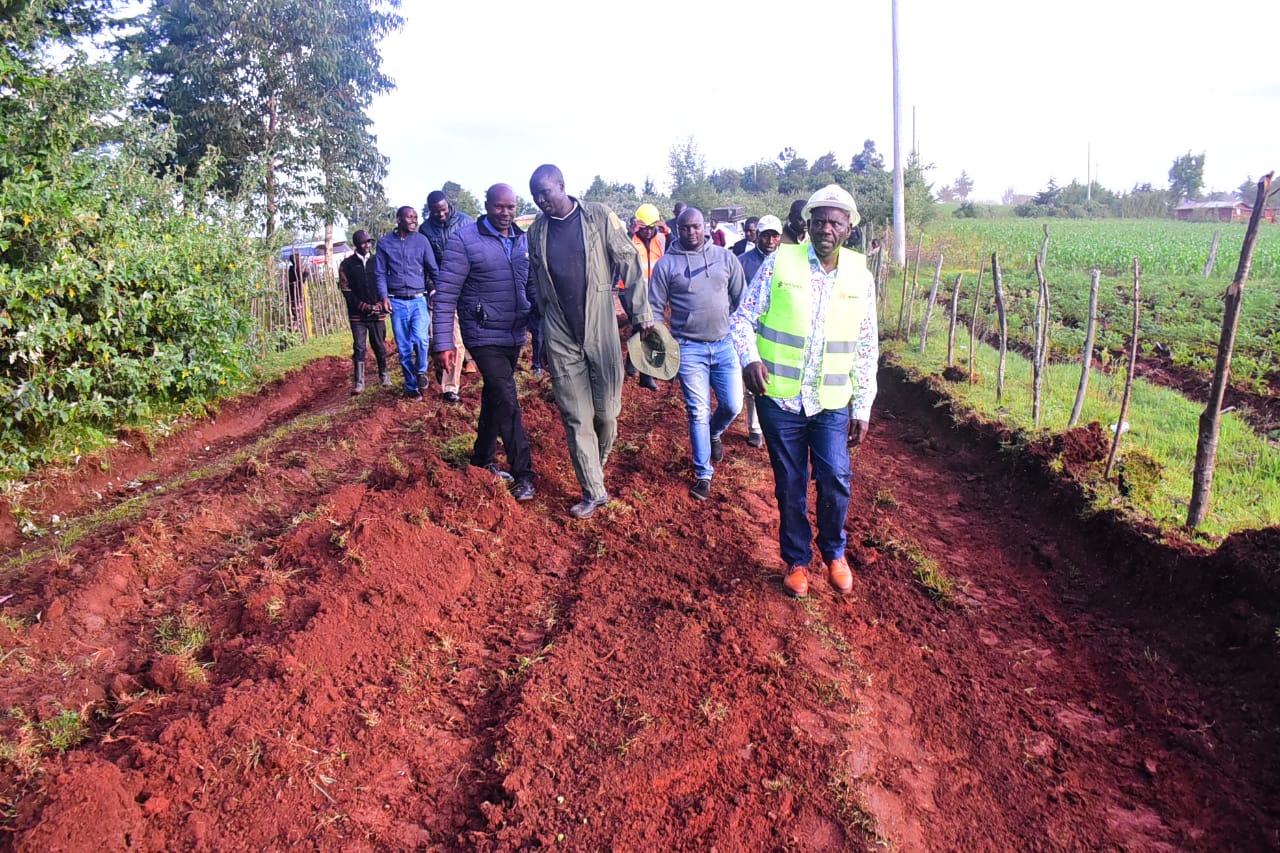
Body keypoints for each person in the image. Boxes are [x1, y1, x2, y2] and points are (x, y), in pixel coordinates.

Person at [729, 185, 878, 599]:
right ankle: (797, 561)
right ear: (807, 225)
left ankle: (834, 552)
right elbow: (742, 320)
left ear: (848, 229)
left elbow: (867, 347)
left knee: (835, 478)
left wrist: (862, 406)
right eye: (819, 221)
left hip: (830, 402)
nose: (826, 228)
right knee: (790, 484)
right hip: (780, 400)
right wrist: (748, 359)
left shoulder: (859, 277)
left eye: (836, 222)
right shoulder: (780, 263)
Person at [526, 164, 653, 519]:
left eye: (546, 193)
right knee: (575, 416)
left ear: (562, 186)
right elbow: (536, 277)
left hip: (600, 324)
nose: (541, 201)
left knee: (608, 414)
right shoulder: (536, 232)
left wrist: (641, 315)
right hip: (560, 333)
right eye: (536, 196)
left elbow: (628, 262)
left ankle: (594, 464)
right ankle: (593, 490)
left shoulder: (598, 216)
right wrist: (543, 312)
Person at [432, 184, 537, 501]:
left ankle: (481, 458)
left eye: (511, 207)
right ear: (487, 206)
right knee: (507, 398)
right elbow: (446, 294)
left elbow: (532, 284)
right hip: (482, 332)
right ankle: (524, 474)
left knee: (495, 394)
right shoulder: (464, 240)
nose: (505, 213)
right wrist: (443, 344)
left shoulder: (522, 240)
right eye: (499, 207)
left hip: (514, 332)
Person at [650, 207, 746, 500]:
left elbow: (741, 301)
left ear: (705, 227)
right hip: (689, 348)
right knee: (697, 411)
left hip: (724, 344)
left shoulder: (725, 258)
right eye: (685, 228)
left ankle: (715, 432)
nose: (691, 232)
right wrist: (657, 341)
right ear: (677, 229)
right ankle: (703, 473)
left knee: (732, 405)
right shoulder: (667, 265)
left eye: (696, 227)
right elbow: (655, 308)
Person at [375, 205, 438, 400]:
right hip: (397, 303)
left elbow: (432, 268)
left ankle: (421, 371)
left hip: (419, 300)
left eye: (415, 217)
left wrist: (437, 290)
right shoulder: (385, 243)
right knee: (403, 348)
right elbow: (379, 273)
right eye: (409, 217)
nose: (413, 220)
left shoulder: (422, 241)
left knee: (421, 339)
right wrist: (384, 296)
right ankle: (411, 387)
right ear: (399, 219)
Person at [421, 190, 474, 403]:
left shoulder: (465, 222)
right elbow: (424, 264)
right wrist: (433, 288)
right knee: (451, 339)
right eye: (435, 212)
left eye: (442, 210)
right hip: (443, 289)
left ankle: (470, 361)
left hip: (468, 287)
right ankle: (450, 387)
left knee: (469, 334)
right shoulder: (425, 230)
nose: (440, 214)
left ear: (448, 205)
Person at [736, 214, 783, 448]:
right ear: (757, 237)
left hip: (777, 331)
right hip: (750, 330)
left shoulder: (788, 264)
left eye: (775, 235)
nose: (770, 240)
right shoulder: (742, 262)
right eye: (766, 235)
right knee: (753, 377)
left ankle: (773, 425)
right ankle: (755, 427)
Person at [338, 229, 390, 394]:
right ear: (356, 244)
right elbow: (346, 290)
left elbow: (385, 282)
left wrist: (381, 303)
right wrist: (362, 306)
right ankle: (359, 382)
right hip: (357, 314)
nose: (367, 245)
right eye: (363, 242)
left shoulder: (378, 261)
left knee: (379, 345)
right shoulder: (346, 265)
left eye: (369, 242)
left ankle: (384, 375)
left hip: (377, 312)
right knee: (359, 346)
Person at [629, 203, 666, 391]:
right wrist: (630, 232)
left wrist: (669, 231)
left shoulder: (660, 239)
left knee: (646, 328)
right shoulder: (630, 240)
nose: (648, 232)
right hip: (630, 291)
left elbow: (673, 251)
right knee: (641, 325)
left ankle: (641, 371)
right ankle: (642, 372)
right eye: (644, 228)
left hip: (653, 291)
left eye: (652, 228)